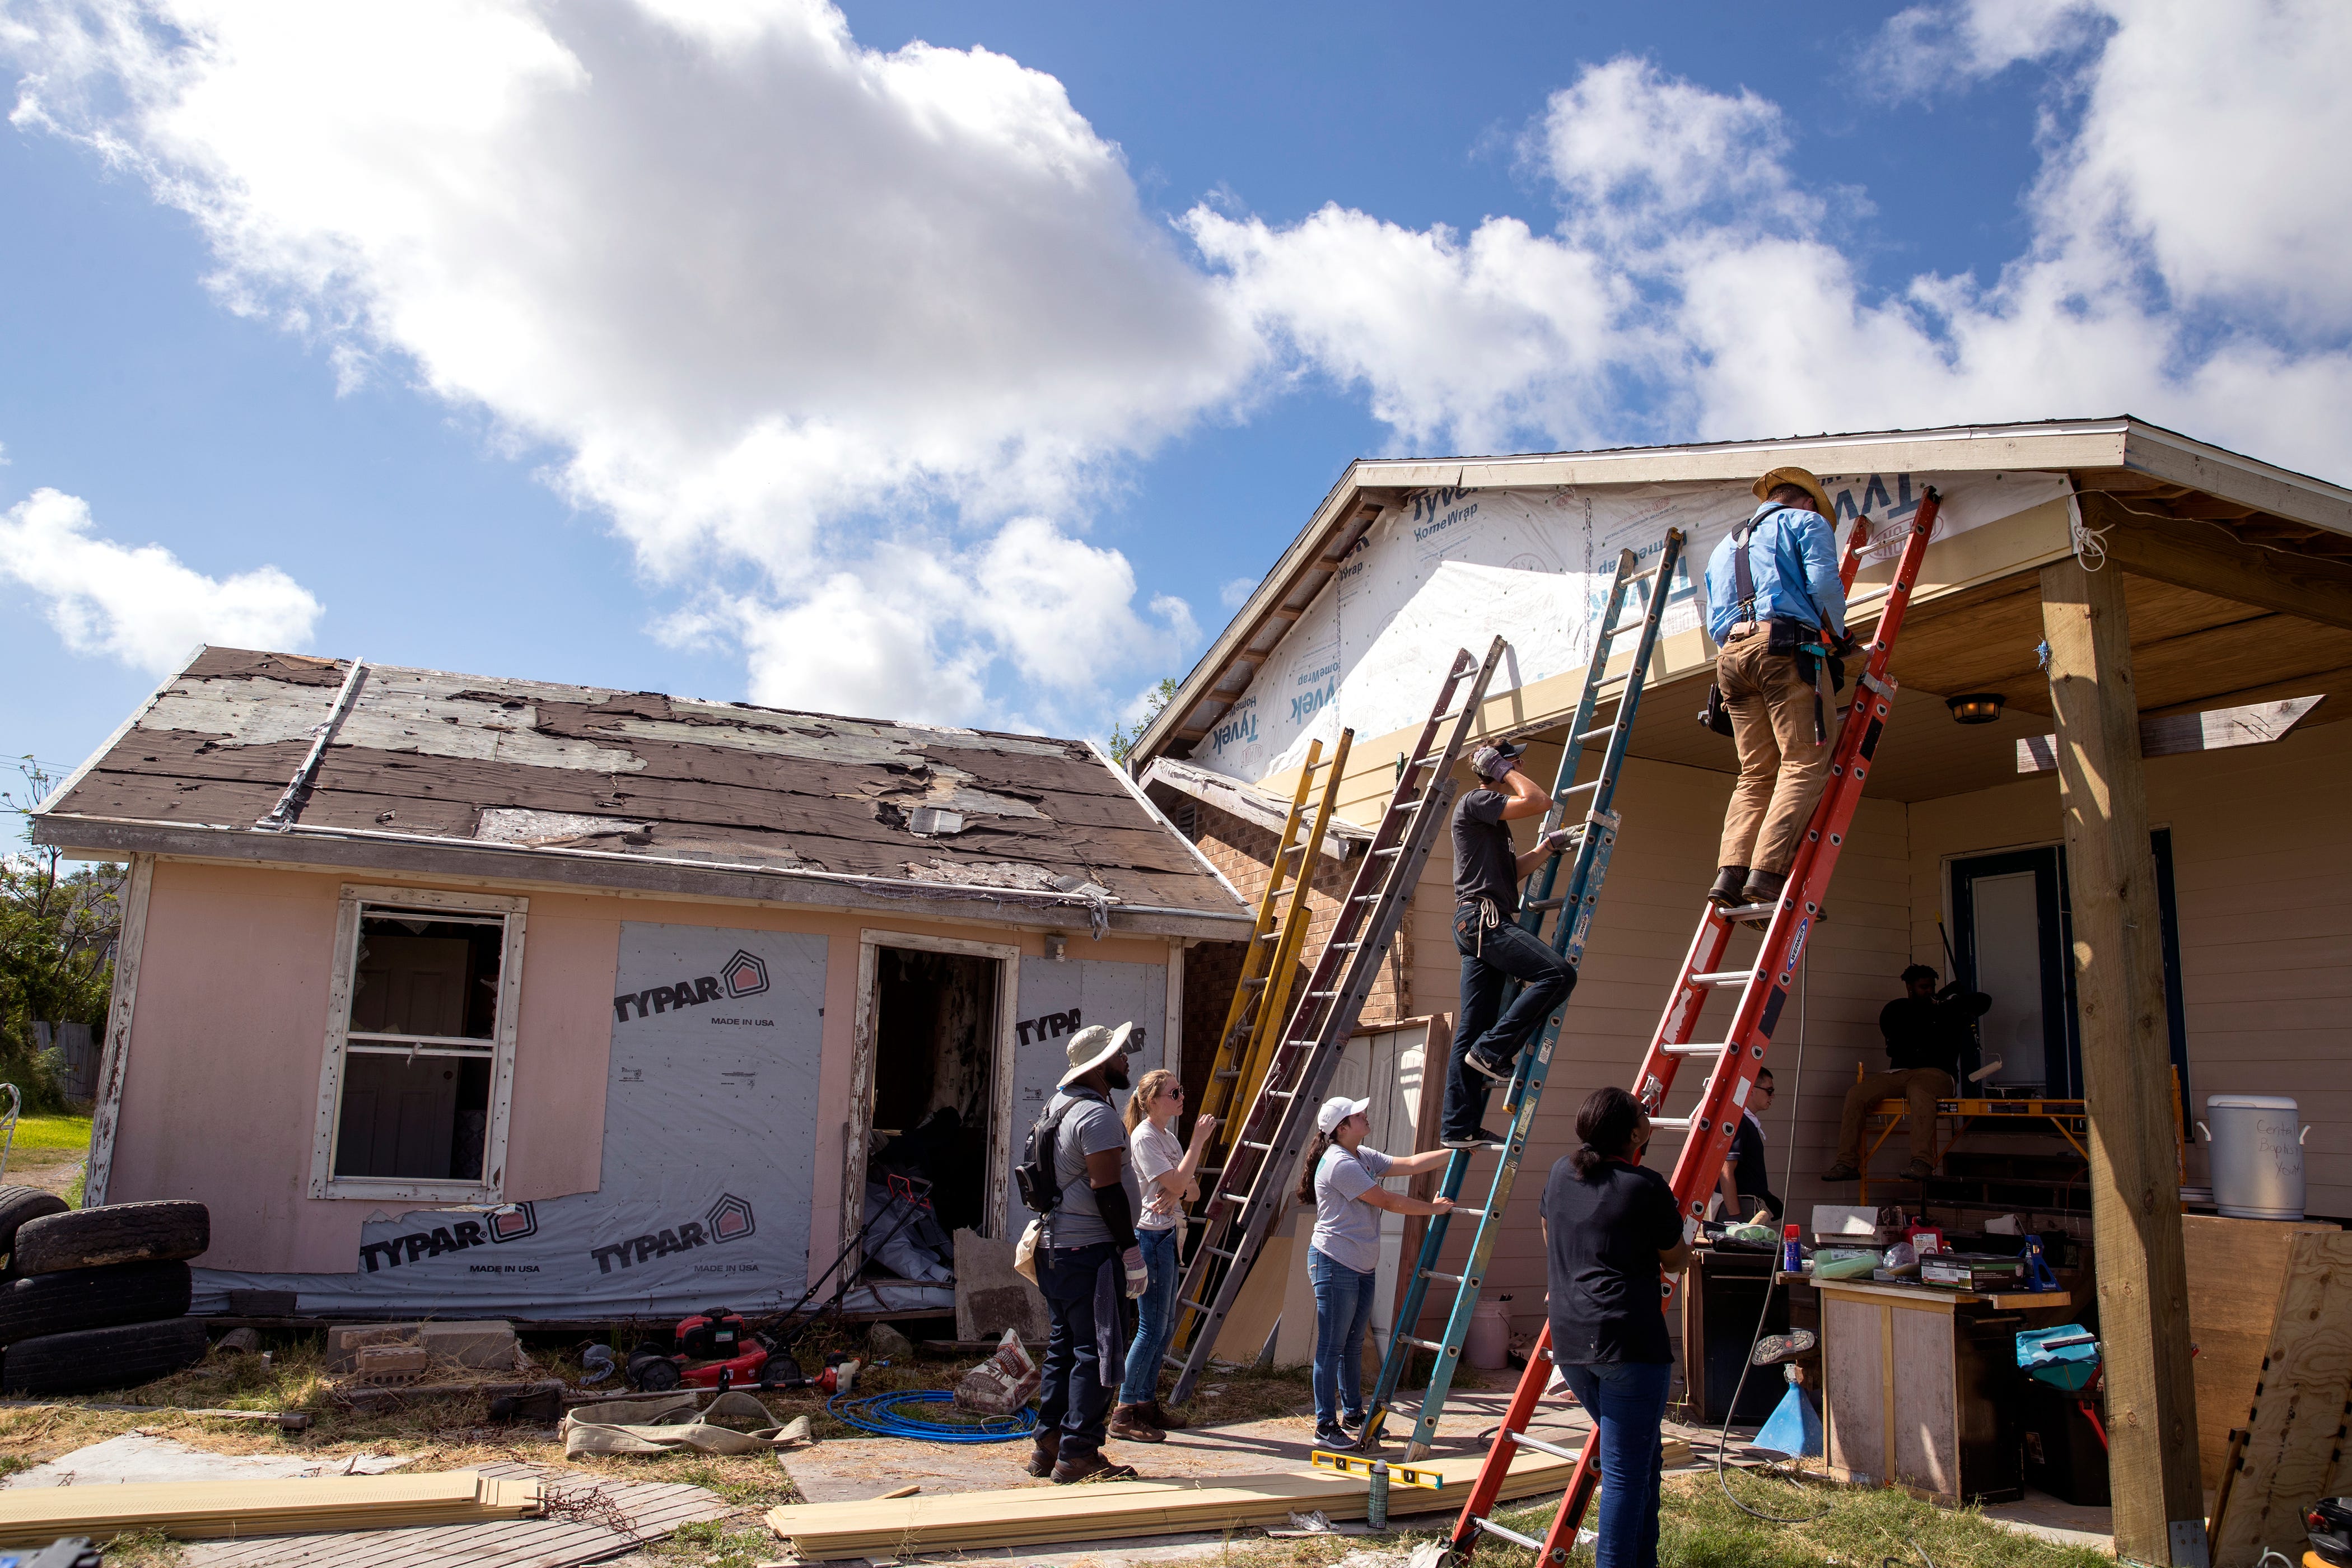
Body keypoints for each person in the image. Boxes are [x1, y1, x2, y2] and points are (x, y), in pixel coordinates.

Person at [1540, 1086, 1690, 1568]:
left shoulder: (1562, 1174)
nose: (1650, 1116)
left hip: (1572, 1344)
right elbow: (1676, 1263)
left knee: (1644, 1462)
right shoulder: (1646, 1186)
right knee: (1627, 1474)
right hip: (1628, 1344)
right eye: (1644, 1113)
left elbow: (1552, 1232)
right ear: (1632, 1134)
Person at [1701, 466, 1855, 909]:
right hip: (1785, 648)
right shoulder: (1806, 523)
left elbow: (1715, 617)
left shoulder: (1722, 548)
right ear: (1806, 501)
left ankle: (1730, 874)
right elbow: (1824, 585)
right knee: (1805, 762)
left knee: (1756, 774)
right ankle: (1767, 875)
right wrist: (1839, 635)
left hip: (1731, 659)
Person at [1026, 1023, 1151, 1484]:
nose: (1126, 1062)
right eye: (1119, 1055)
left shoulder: (1059, 1106)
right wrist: (1130, 1250)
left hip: (1056, 1247)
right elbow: (1108, 1191)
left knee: (1065, 1348)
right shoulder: (1096, 1117)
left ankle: (1049, 1443)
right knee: (1098, 1352)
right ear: (1099, 1065)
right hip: (1090, 1251)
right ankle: (1079, 1453)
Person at [1443, 739, 1580, 1148]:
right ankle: (1493, 1052)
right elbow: (1538, 800)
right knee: (1557, 973)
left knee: (1471, 1027)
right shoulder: (1476, 801)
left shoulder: (1493, 822)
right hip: (1482, 919)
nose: (1521, 763)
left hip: (1480, 921)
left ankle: (1458, 1127)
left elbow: (1508, 875)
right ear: (1498, 766)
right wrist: (1503, 771)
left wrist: (1546, 848)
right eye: (1513, 758)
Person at [1298, 1094, 1455, 1448]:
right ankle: (1325, 1425)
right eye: (1358, 1115)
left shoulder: (1361, 1156)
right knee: (1332, 1347)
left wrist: (1457, 1151)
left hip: (1359, 1263)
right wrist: (1433, 1210)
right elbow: (1387, 1201)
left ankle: (1353, 1413)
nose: (1365, 1116)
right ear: (1342, 1128)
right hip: (1334, 1262)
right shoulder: (1339, 1163)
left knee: (1353, 1343)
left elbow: (1412, 1163)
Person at [1110, 1068, 1215, 1440]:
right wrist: (1196, 1147)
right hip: (1149, 1236)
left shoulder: (1167, 1136)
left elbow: (1193, 1192)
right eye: (1174, 1093)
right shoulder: (1144, 1137)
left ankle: (1144, 1404)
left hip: (1167, 1234)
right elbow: (1176, 1181)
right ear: (1154, 1101)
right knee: (1151, 1327)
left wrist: (1178, 1186)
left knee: (1164, 1326)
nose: (1181, 1097)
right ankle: (1124, 1412)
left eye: (1181, 1091)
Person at [1822, 965, 1993, 1182]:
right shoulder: (1899, 1010)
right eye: (1924, 987)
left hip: (1937, 1074)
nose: (1929, 991)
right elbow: (1903, 1024)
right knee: (1857, 1093)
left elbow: (1984, 1002)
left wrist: (1957, 1000)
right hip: (1900, 1072)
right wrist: (1940, 1002)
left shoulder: (1948, 1009)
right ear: (1909, 988)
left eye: (1933, 987)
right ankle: (1846, 1163)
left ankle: (1922, 1162)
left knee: (1920, 1091)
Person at [1714, 1066, 1782, 1221]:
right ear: (1751, 1089)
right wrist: (1736, 1218)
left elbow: (1746, 1173)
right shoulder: (1738, 1123)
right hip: (1737, 1205)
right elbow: (1725, 1172)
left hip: (1745, 1202)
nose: (1773, 1096)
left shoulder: (1746, 1122)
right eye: (1769, 1091)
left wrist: (1766, 1195)